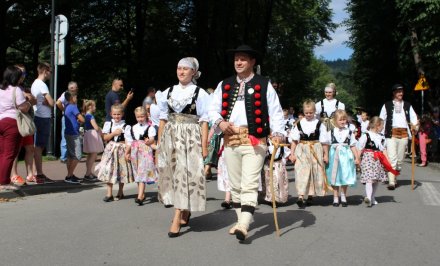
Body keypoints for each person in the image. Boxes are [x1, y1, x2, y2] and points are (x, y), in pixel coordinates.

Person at [209, 45, 285, 241]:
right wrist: (220, 122)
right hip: (231, 139)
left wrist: (277, 133)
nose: (239, 62)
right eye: (236, 59)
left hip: (255, 140)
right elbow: (212, 109)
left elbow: (276, 111)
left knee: (249, 183)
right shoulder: (224, 84)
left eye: (243, 59)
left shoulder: (264, 84)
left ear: (252, 62)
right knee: (234, 185)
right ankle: (241, 219)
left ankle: (243, 225)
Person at [156, 57, 209, 238]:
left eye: (185, 69)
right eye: (179, 68)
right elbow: (163, 119)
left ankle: (177, 215)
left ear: (193, 72)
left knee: (187, 174)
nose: (181, 71)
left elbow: (204, 122)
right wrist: (159, 144)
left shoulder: (200, 93)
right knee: (174, 174)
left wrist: (204, 147)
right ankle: (182, 209)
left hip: (191, 138)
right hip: (171, 137)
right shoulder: (168, 92)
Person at [289, 100, 328, 207]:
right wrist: (292, 154)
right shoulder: (299, 123)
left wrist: (326, 155)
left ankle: (310, 195)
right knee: (301, 171)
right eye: (306, 113)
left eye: (310, 112)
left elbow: (324, 142)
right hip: (302, 149)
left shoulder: (320, 124)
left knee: (313, 172)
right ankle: (301, 196)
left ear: (314, 111)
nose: (308, 115)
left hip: (316, 149)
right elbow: (294, 140)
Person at [379, 84, 418, 190]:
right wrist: (380, 134)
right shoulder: (386, 105)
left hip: (404, 134)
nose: (400, 93)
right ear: (394, 93)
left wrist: (415, 127)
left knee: (400, 161)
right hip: (391, 134)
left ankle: (394, 176)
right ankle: (391, 182)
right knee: (392, 159)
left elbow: (414, 119)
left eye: (401, 91)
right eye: (398, 91)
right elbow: (381, 120)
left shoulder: (407, 105)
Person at [0, 66, 32, 191]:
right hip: (12, 123)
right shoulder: (16, 90)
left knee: (2, 153)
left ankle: (3, 179)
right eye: (20, 76)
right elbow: (23, 107)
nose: (21, 78)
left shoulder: (1, 90)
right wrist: (29, 102)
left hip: (1, 121)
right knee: (10, 154)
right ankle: (3, 182)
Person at [357, 117, 398, 207]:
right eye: (382, 126)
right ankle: (368, 197)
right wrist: (357, 159)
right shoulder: (366, 135)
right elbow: (360, 148)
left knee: (376, 180)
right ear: (377, 126)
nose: (383, 128)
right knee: (369, 179)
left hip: (378, 160)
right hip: (368, 159)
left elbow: (384, 150)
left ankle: (372, 197)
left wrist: (388, 161)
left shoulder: (381, 137)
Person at [96, 104, 133, 201]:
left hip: (121, 149)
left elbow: (129, 141)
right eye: (115, 114)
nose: (116, 116)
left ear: (122, 114)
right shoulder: (108, 124)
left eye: (118, 114)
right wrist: (114, 133)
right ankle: (109, 193)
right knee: (109, 170)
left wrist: (127, 152)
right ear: (111, 114)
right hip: (110, 149)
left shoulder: (126, 126)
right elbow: (105, 138)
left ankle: (120, 191)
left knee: (121, 170)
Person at [324, 110, 360, 207]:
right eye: (340, 120)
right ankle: (335, 197)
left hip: (346, 156)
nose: (343, 121)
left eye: (344, 119)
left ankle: (343, 195)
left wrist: (357, 157)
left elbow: (352, 145)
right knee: (334, 176)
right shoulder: (330, 132)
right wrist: (326, 155)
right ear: (335, 121)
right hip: (334, 155)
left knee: (345, 175)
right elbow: (326, 144)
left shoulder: (349, 132)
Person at [9, 64, 37, 186]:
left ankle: (30, 174)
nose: (23, 76)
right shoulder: (10, 87)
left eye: (24, 74)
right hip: (16, 121)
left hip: (26, 122)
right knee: (15, 149)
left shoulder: (23, 88)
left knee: (30, 147)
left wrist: (30, 98)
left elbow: (34, 101)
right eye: (21, 73)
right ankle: (13, 174)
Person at [124, 106, 157, 206]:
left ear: (146, 116)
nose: (140, 119)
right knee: (137, 172)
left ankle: (139, 196)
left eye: (142, 116)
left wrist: (149, 141)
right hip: (135, 151)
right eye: (138, 117)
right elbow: (129, 142)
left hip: (145, 151)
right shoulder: (133, 128)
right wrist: (127, 152)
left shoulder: (150, 127)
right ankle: (141, 194)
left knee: (142, 172)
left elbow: (152, 139)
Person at [31, 62, 55, 184]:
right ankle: (39, 174)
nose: (51, 74)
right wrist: (50, 102)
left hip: (39, 116)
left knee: (39, 146)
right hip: (42, 117)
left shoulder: (35, 83)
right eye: (50, 71)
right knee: (39, 147)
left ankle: (36, 172)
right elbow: (51, 103)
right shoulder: (42, 85)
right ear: (45, 71)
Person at [63, 91, 85, 184]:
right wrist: (80, 120)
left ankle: (70, 175)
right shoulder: (73, 107)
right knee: (78, 155)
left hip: (68, 133)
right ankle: (69, 176)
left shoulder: (67, 107)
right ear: (72, 98)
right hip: (74, 134)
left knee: (70, 156)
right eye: (75, 97)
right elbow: (82, 119)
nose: (76, 98)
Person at [56, 81, 79, 163]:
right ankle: (64, 157)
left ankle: (70, 156)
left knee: (70, 136)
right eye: (71, 88)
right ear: (69, 88)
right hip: (67, 118)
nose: (73, 89)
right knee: (65, 137)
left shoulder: (74, 96)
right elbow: (58, 102)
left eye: (74, 87)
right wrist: (64, 110)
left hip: (72, 118)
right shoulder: (66, 94)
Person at [82, 99, 104, 181]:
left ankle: (89, 172)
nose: (95, 108)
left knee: (90, 155)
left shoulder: (86, 115)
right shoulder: (90, 116)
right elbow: (96, 127)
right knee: (94, 154)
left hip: (88, 134)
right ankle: (88, 173)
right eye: (94, 106)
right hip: (92, 135)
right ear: (90, 107)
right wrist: (101, 131)